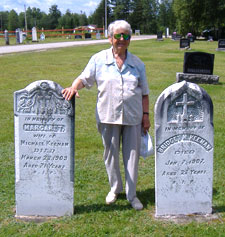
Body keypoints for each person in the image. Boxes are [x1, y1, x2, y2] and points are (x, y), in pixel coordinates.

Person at [62, 20, 150, 210]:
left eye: (125, 36)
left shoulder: (138, 64)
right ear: (110, 38)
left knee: (132, 157)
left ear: (130, 39)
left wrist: (146, 116)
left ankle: (132, 194)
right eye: (117, 35)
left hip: (133, 117)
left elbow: (144, 92)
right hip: (107, 115)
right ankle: (115, 187)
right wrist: (73, 87)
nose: (121, 39)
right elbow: (84, 78)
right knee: (110, 155)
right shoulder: (98, 59)